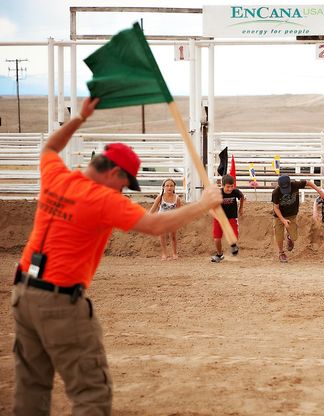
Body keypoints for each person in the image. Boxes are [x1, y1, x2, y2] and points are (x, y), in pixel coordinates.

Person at [11, 97, 223, 416]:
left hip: (23, 292)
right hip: (60, 300)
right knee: (91, 394)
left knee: (32, 386)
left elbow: (49, 149)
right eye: (125, 182)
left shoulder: (59, 177)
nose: (124, 189)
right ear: (113, 173)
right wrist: (203, 205)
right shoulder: (102, 199)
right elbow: (153, 225)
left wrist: (79, 118)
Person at [272, 175, 324, 263]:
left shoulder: (295, 184)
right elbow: (276, 208)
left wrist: (320, 192)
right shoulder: (276, 192)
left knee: (294, 237)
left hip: (292, 215)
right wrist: (283, 220)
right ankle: (281, 253)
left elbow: (308, 183)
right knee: (279, 236)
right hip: (278, 216)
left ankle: (289, 238)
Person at [211, 174, 245, 263]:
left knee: (233, 236)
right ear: (222, 186)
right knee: (217, 238)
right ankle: (219, 254)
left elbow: (242, 197)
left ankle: (233, 245)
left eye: (231, 186)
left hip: (232, 217)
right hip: (219, 218)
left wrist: (241, 208)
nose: (230, 189)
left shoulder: (236, 192)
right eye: (227, 187)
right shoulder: (218, 193)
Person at [149, 178, 183, 260]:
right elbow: (152, 210)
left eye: (171, 186)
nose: (169, 187)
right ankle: (164, 254)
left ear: (174, 187)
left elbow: (179, 211)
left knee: (173, 236)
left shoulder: (177, 198)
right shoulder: (160, 197)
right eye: (167, 186)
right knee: (162, 236)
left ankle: (174, 253)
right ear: (163, 187)